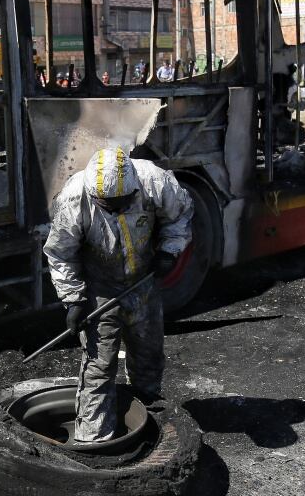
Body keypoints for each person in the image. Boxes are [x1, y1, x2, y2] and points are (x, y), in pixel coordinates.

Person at [43, 147, 193, 442]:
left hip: (143, 283)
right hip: (100, 289)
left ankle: (146, 417)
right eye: (104, 203)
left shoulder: (155, 182)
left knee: (148, 354)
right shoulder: (74, 199)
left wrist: (169, 251)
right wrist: (73, 299)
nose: (110, 208)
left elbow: (180, 215)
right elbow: (61, 253)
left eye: (118, 202)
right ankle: (94, 439)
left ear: (133, 189)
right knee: (100, 366)